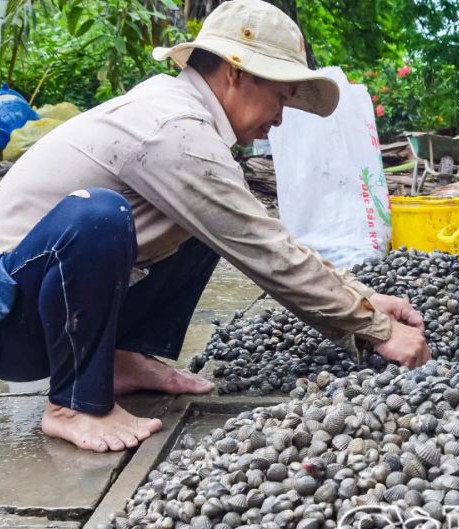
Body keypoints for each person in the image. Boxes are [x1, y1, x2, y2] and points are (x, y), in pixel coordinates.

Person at [0, 0, 431, 452]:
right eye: (280, 98)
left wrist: (365, 299)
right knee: (99, 216)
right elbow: (268, 254)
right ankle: (74, 405)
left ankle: (119, 360)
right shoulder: (173, 128)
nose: (280, 118)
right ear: (237, 73)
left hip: (44, 309)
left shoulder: (190, 126)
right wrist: (378, 329)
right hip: (13, 320)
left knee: (214, 220)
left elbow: (255, 232)